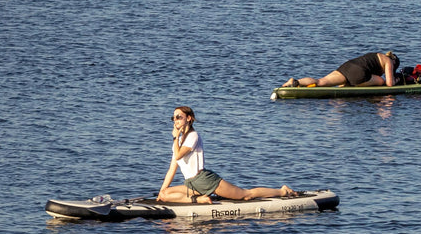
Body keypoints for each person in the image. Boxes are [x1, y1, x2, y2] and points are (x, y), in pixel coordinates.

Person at [158, 106, 297, 203]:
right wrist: (161, 190)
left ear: (188, 118)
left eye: (179, 117)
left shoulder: (193, 136)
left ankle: (283, 191)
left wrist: (175, 137)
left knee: (245, 195)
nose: (175, 120)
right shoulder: (177, 142)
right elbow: (172, 169)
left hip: (204, 180)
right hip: (191, 184)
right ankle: (199, 199)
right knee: (165, 195)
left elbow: (178, 155)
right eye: (173, 117)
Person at [281, 52, 399, 88]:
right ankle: (348, 84)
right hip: (359, 72)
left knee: (321, 81)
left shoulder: (376, 55)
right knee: (381, 81)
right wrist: (396, 80)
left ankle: (295, 82)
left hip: (347, 66)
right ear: (393, 62)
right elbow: (389, 84)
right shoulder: (388, 61)